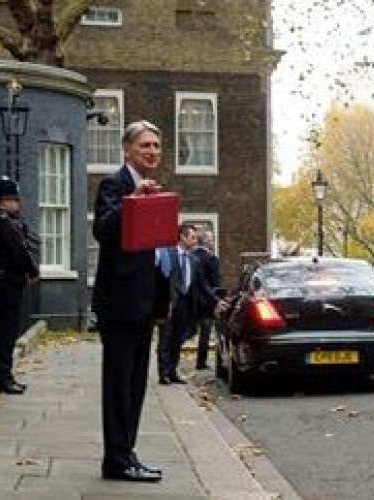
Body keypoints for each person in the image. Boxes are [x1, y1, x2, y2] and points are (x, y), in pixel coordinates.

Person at [92, 120, 165, 483]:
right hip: (119, 303)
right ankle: (115, 460)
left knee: (136, 383)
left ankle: (126, 452)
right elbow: (103, 229)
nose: (152, 151)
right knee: (118, 384)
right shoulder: (115, 184)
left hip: (144, 303)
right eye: (145, 146)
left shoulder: (152, 191)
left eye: (155, 146)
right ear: (127, 151)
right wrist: (133, 202)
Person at [0, 177, 39, 394]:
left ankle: (3, 375)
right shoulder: (4, 222)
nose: (18, 203)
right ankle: (3, 377)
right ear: (2, 202)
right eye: (13, 199)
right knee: (6, 332)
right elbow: (19, 251)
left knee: (5, 331)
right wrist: (32, 270)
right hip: (5, 283)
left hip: (1, 281)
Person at [157, 224, 221, 384]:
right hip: (170, 303)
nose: (195, 240)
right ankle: (163, 373)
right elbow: (160, 279)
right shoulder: (168, 254)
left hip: (186, 305)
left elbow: (203, 285)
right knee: (166, 338)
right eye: (192, 237)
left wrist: (217, 300)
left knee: (178, 338)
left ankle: (172, 371)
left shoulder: (194, 261)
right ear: (182, 237)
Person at [191, 230, 220, 370]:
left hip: (191, 300)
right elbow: (215, 283)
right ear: (207, 242)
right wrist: (217, 300)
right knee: (205, 333)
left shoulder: (190, 256)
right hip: (206, 302)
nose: (213, 242)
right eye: (212, 239)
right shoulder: (211, 259)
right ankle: (200, 362)